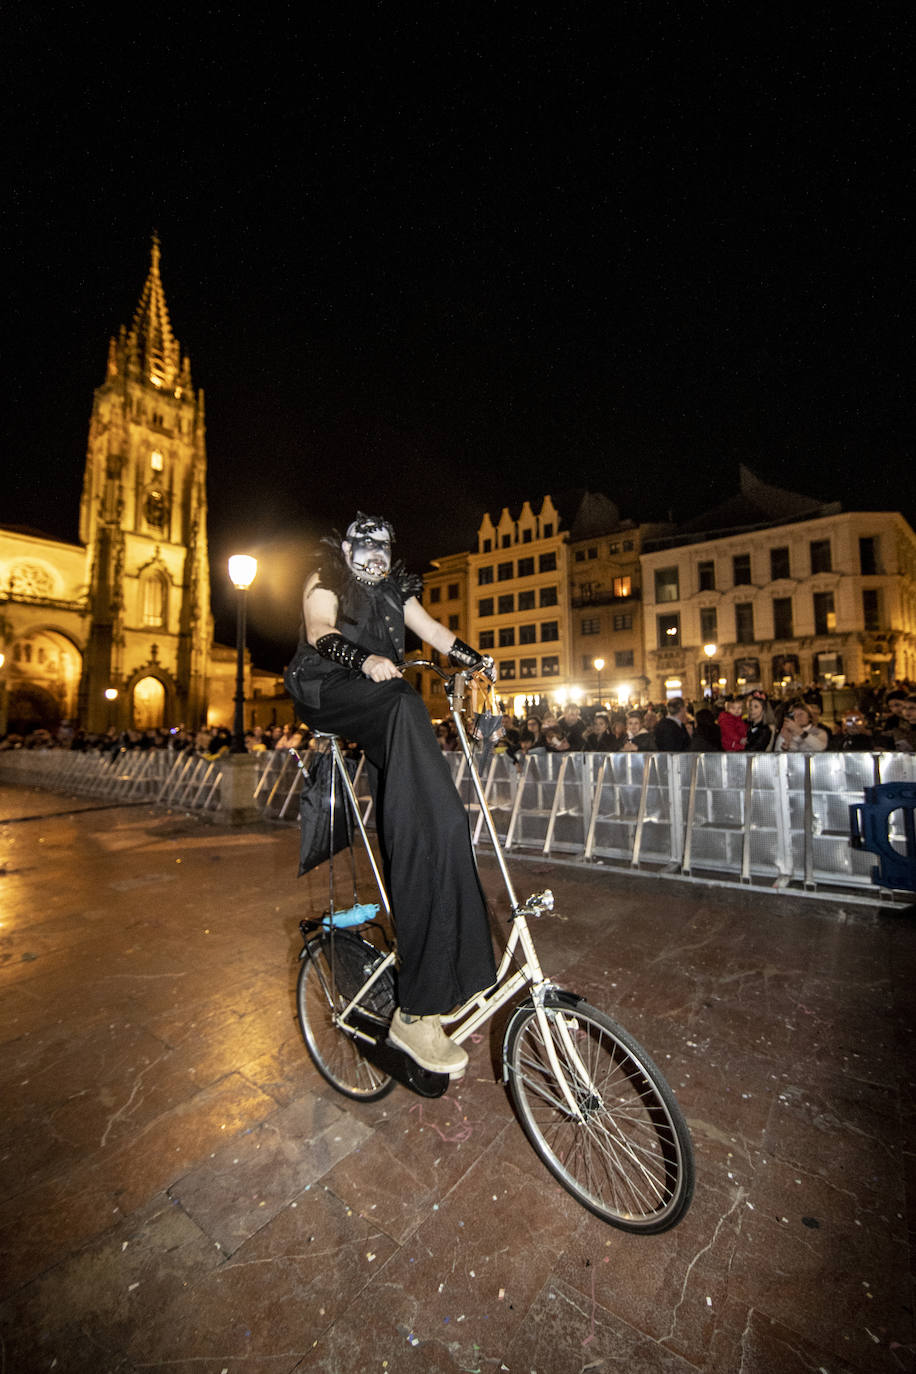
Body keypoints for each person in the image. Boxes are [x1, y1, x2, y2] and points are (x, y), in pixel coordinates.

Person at [284, 512, 497, 1078]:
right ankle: (418, 1006)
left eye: (383, 546)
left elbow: (432, 632)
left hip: (378, 702)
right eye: (365, 545)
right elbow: (318, 629)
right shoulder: (326, 575)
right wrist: (365, 658)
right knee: (405, 700)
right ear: (348, 546)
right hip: (328, 687)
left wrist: (477, 660)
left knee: (427, 824)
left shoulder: (395, 590)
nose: (374, 555)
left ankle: (430, 982)